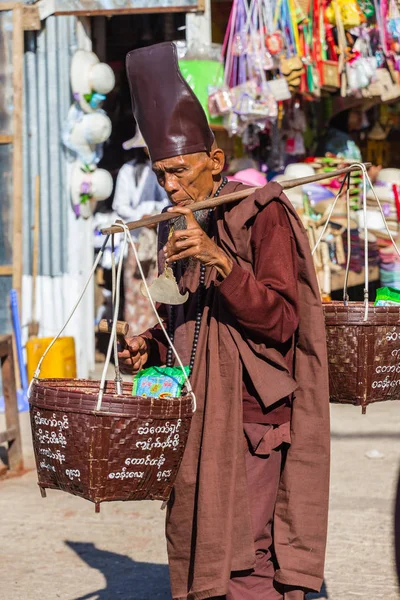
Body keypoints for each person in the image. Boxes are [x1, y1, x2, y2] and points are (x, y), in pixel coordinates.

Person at [119, 42, 330, 600]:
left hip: (252, 417)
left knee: (246, 560)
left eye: (181, 170)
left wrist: (222, 262)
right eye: (161, 174)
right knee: (202, 545)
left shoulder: (261, 214)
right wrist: (148, 345)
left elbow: (283, 321)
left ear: (214, 161)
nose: (171, 187)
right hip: (199, 412)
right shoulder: (178, 224)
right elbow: (185, 320)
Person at [112, 141, 168, 333]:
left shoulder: (165, 168)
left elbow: (168, 199)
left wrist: (156, 215)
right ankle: (135, 343)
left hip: (159, 240)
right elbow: (120, 205)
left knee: (158, 293)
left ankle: (156, 345)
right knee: (135, 294)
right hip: (136, 241)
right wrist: (141, 218)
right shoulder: (129, 171)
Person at [317, 96, 381, 181]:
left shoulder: (342, 139)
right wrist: (370, 177)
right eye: (356, 112)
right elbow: (344, 177)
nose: (361, 117)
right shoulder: (337, 141)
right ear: (344, 115)